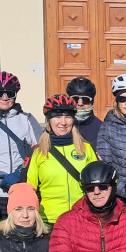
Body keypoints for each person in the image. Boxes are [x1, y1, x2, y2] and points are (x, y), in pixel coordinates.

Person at [0, 71, 44, 220]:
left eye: (10, 93)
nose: (4, 98)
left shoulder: (27, 119)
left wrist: (21, 175)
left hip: (24, 191)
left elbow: (41, 151)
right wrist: (1, 179)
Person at [25, 94, 98, 225]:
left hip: (82, 219)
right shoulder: (39, 152)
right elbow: (29, 189)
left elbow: (97, 183)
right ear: (49, 120)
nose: (63, 122)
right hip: (50, 220)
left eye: (68, 117)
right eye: (57, 117)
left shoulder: (86, 148)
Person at [67, 76, 103, 148]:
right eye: (75, 99)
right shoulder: (61, 126)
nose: (80, 104)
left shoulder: (101, 128)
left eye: (85, 100)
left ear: (92, 102)